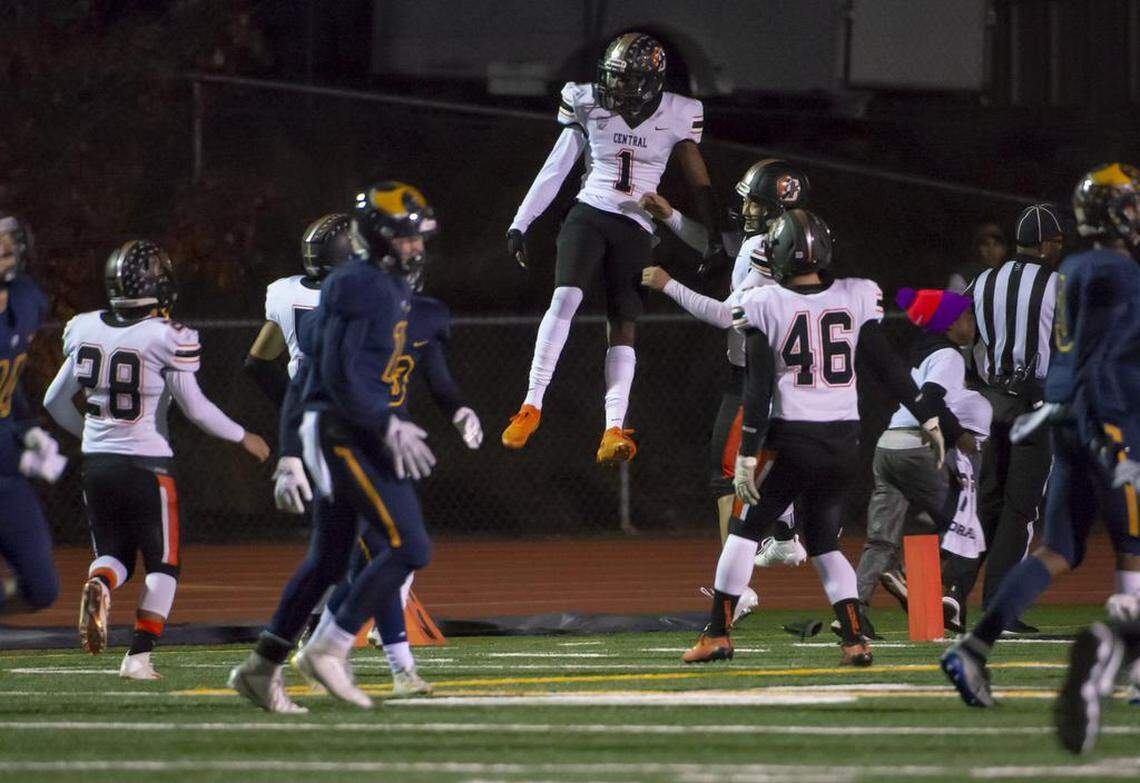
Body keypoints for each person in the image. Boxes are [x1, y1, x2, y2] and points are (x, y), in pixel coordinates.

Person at [680, 209, 945, 667]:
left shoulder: (764, 303)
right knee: (823, 540)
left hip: (795, 439)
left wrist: (746, 454)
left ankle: (717, 633)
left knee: (743, 533)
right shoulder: (855, 295)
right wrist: (928, 416)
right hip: (845, 441)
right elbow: (887, 365)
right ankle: (855, 639)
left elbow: (758, 389)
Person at [228, 182, 440, 712]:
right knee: (405, 546)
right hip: (343, 433)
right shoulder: (358, 289)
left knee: (329, 560)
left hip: (334, 428)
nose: (416, 245)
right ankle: (341, 649)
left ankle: (262, 666)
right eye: (405, 235)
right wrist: (299, 448)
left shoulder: (372, 287)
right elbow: (320, 377)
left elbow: (291, 372)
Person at [940, 163, 1140, 709]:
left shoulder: (1050, 272)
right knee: (1120, 542)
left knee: (1040, 534)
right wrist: (1112, 434)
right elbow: (1102, 358)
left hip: (1029, 404)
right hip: (1099, 416)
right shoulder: (1105, 273)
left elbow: (952, 324)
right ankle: (1128, 664)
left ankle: (968, 628)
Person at [43, 239, 269, 679]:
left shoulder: (84, 326)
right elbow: (196, 408)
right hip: (147, 463)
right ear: (160, 286)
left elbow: (55, 400)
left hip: (97, 463)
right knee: (163, 565)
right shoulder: (167, 336)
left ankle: (100, 583)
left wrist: (91, 436)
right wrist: (244, 437)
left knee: (113, 555)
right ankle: (139, 657)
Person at [502, 32, 723, 464]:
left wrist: (712, 235)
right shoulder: (587, 101)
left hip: (637, 225)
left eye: (625, 79)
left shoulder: (678, 114)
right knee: (565, 297)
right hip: (591, 209)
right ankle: (531, 404)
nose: (615, 87)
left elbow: (702, 183)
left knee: (624, 321)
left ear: (648, 81)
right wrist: (521, 222)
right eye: (613, 77)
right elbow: (557, 166)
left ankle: (613, 427)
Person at [638, 160, 811, 621]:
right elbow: (720, 247)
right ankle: (785, 536)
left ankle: (738, 590)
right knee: (775, 468)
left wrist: (667, 283)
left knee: (726, 474)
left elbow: (722, 314)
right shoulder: (789, 245)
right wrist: (671, 217)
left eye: (756, 201)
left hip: (759, 375)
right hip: (789, 374)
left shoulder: (762, 248)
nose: (746, 208)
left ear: (776, 207)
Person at [853, 287, 984, 635]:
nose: (971, 322)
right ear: (951, 322)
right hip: (916, 447)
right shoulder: (949, 356)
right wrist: (961, 435)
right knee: (963, 523)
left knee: (881, 539)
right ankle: (923, 588)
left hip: (887, 446)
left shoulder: (923, 353)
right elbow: (932, 400)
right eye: (967, 316)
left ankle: (853, 613)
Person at [961, 203, 1064, 633]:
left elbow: (946, 323)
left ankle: (950, 591)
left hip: (989, 403)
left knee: (988, 504)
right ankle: (1000, 606)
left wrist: (966, 378)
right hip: (1034, 406)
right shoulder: (1059, 284)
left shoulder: (983, 280)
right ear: (1046, 244)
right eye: (1057, 242)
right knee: (1020, 509)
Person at [0, 213, 62, 616]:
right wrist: (17, 456)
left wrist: (29, 429)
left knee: (41, 589)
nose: (8, 249)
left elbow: (11, 377)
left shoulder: (26, 298)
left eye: (11, 242)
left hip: (4, 471)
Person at [947, 221, 1008, 292]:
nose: (991, 250)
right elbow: (951, 303)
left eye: (996, 244)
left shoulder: (1011, 275)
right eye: (985, 244)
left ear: (1004, 249)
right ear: (977, 248)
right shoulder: (963, 277)